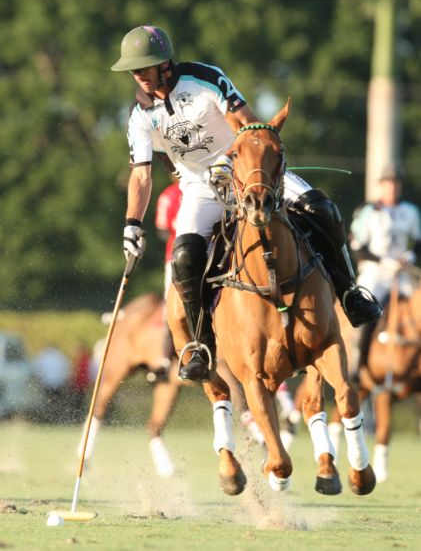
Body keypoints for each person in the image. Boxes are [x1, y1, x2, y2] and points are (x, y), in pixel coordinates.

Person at [111, 25, 382, 383]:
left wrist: (239, 163)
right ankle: (199, 346)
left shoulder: (205, 79)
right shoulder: (139, 116)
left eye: (145, 67)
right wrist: (132, 224)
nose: (140, 76)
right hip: (200, 188)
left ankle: (348, 293)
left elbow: (251, 126)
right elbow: (141, 176)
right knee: (185, 257)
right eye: (134, 70)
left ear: (165, 64)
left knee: (321, 209)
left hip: (251, 171)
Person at [349, 164, 421, 377]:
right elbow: (357, 248)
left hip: (402, 273)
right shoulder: (368, 211)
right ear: (381, 185)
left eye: (396, 184)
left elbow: (418, 241)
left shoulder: (410, 211)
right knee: (365, 312)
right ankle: (356, 363)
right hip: (375, 273)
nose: (393, 188)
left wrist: (411, 255)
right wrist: (383, 260)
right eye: (388, 183)